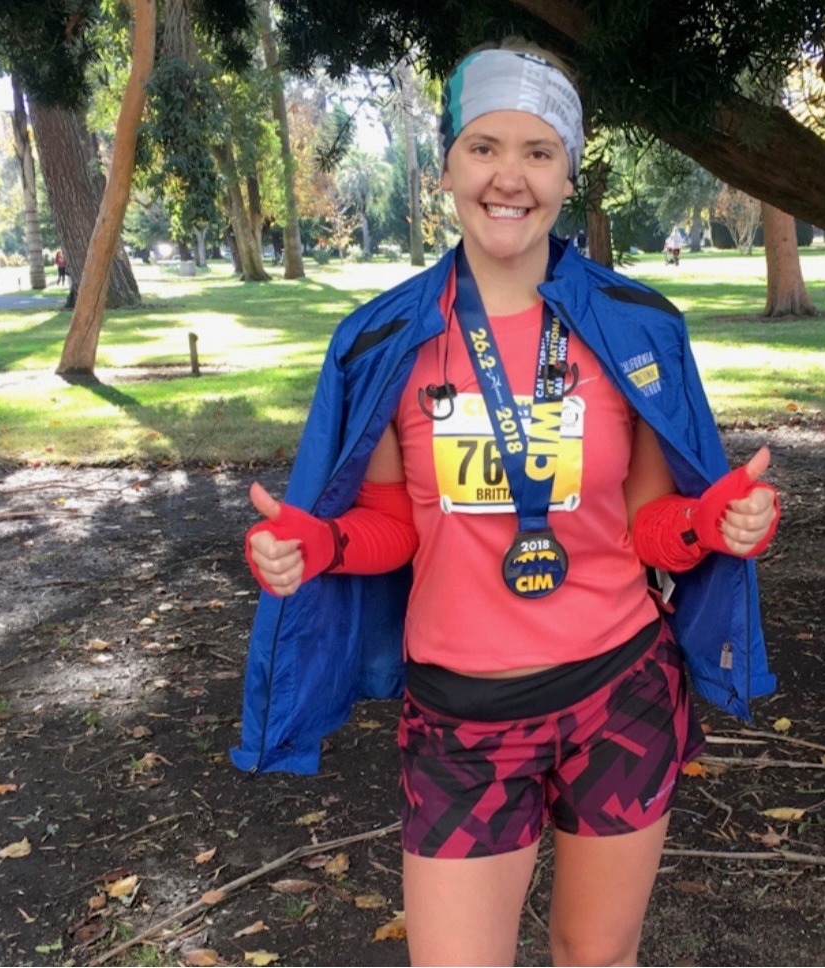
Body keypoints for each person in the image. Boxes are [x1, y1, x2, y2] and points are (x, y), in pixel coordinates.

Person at [237, 40, 780, 967]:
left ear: (569, 173)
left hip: (620, 696)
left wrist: (715, 521)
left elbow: (652, 523)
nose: (509, 176)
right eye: (485, 146)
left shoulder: (631, 326)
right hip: (459, 718)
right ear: (446, 166)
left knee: (597, 958)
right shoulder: (390, 339)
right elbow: (391, 528)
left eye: (538, 152)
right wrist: (316, 546)